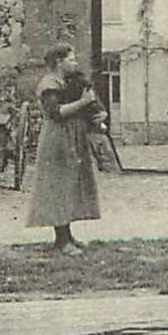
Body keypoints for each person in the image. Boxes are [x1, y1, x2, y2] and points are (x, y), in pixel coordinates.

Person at [25, 43, 104, 254]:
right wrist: (84, 101)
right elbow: (57, 112)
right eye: (71, 59)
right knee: (58, 188)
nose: (75, 63)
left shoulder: (66, 81)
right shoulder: (48, 83)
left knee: (68, 186)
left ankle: (67, 236)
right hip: (57, 140)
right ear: (59, 62)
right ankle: (61, 241)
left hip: (71, 138)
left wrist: (96, 114)